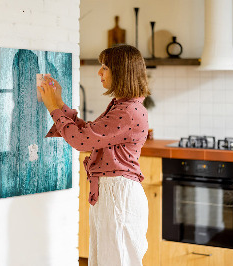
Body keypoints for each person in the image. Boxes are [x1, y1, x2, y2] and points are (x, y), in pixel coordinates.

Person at [38, 44, 150, 266]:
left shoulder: (127, 111)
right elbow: (89, 133)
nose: (99, 72)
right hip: (113, 193)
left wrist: (53, 108)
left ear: (121, 72)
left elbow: (81, 141)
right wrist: (59, 104)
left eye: (105, 67)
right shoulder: (123, 106)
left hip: (118, 195)